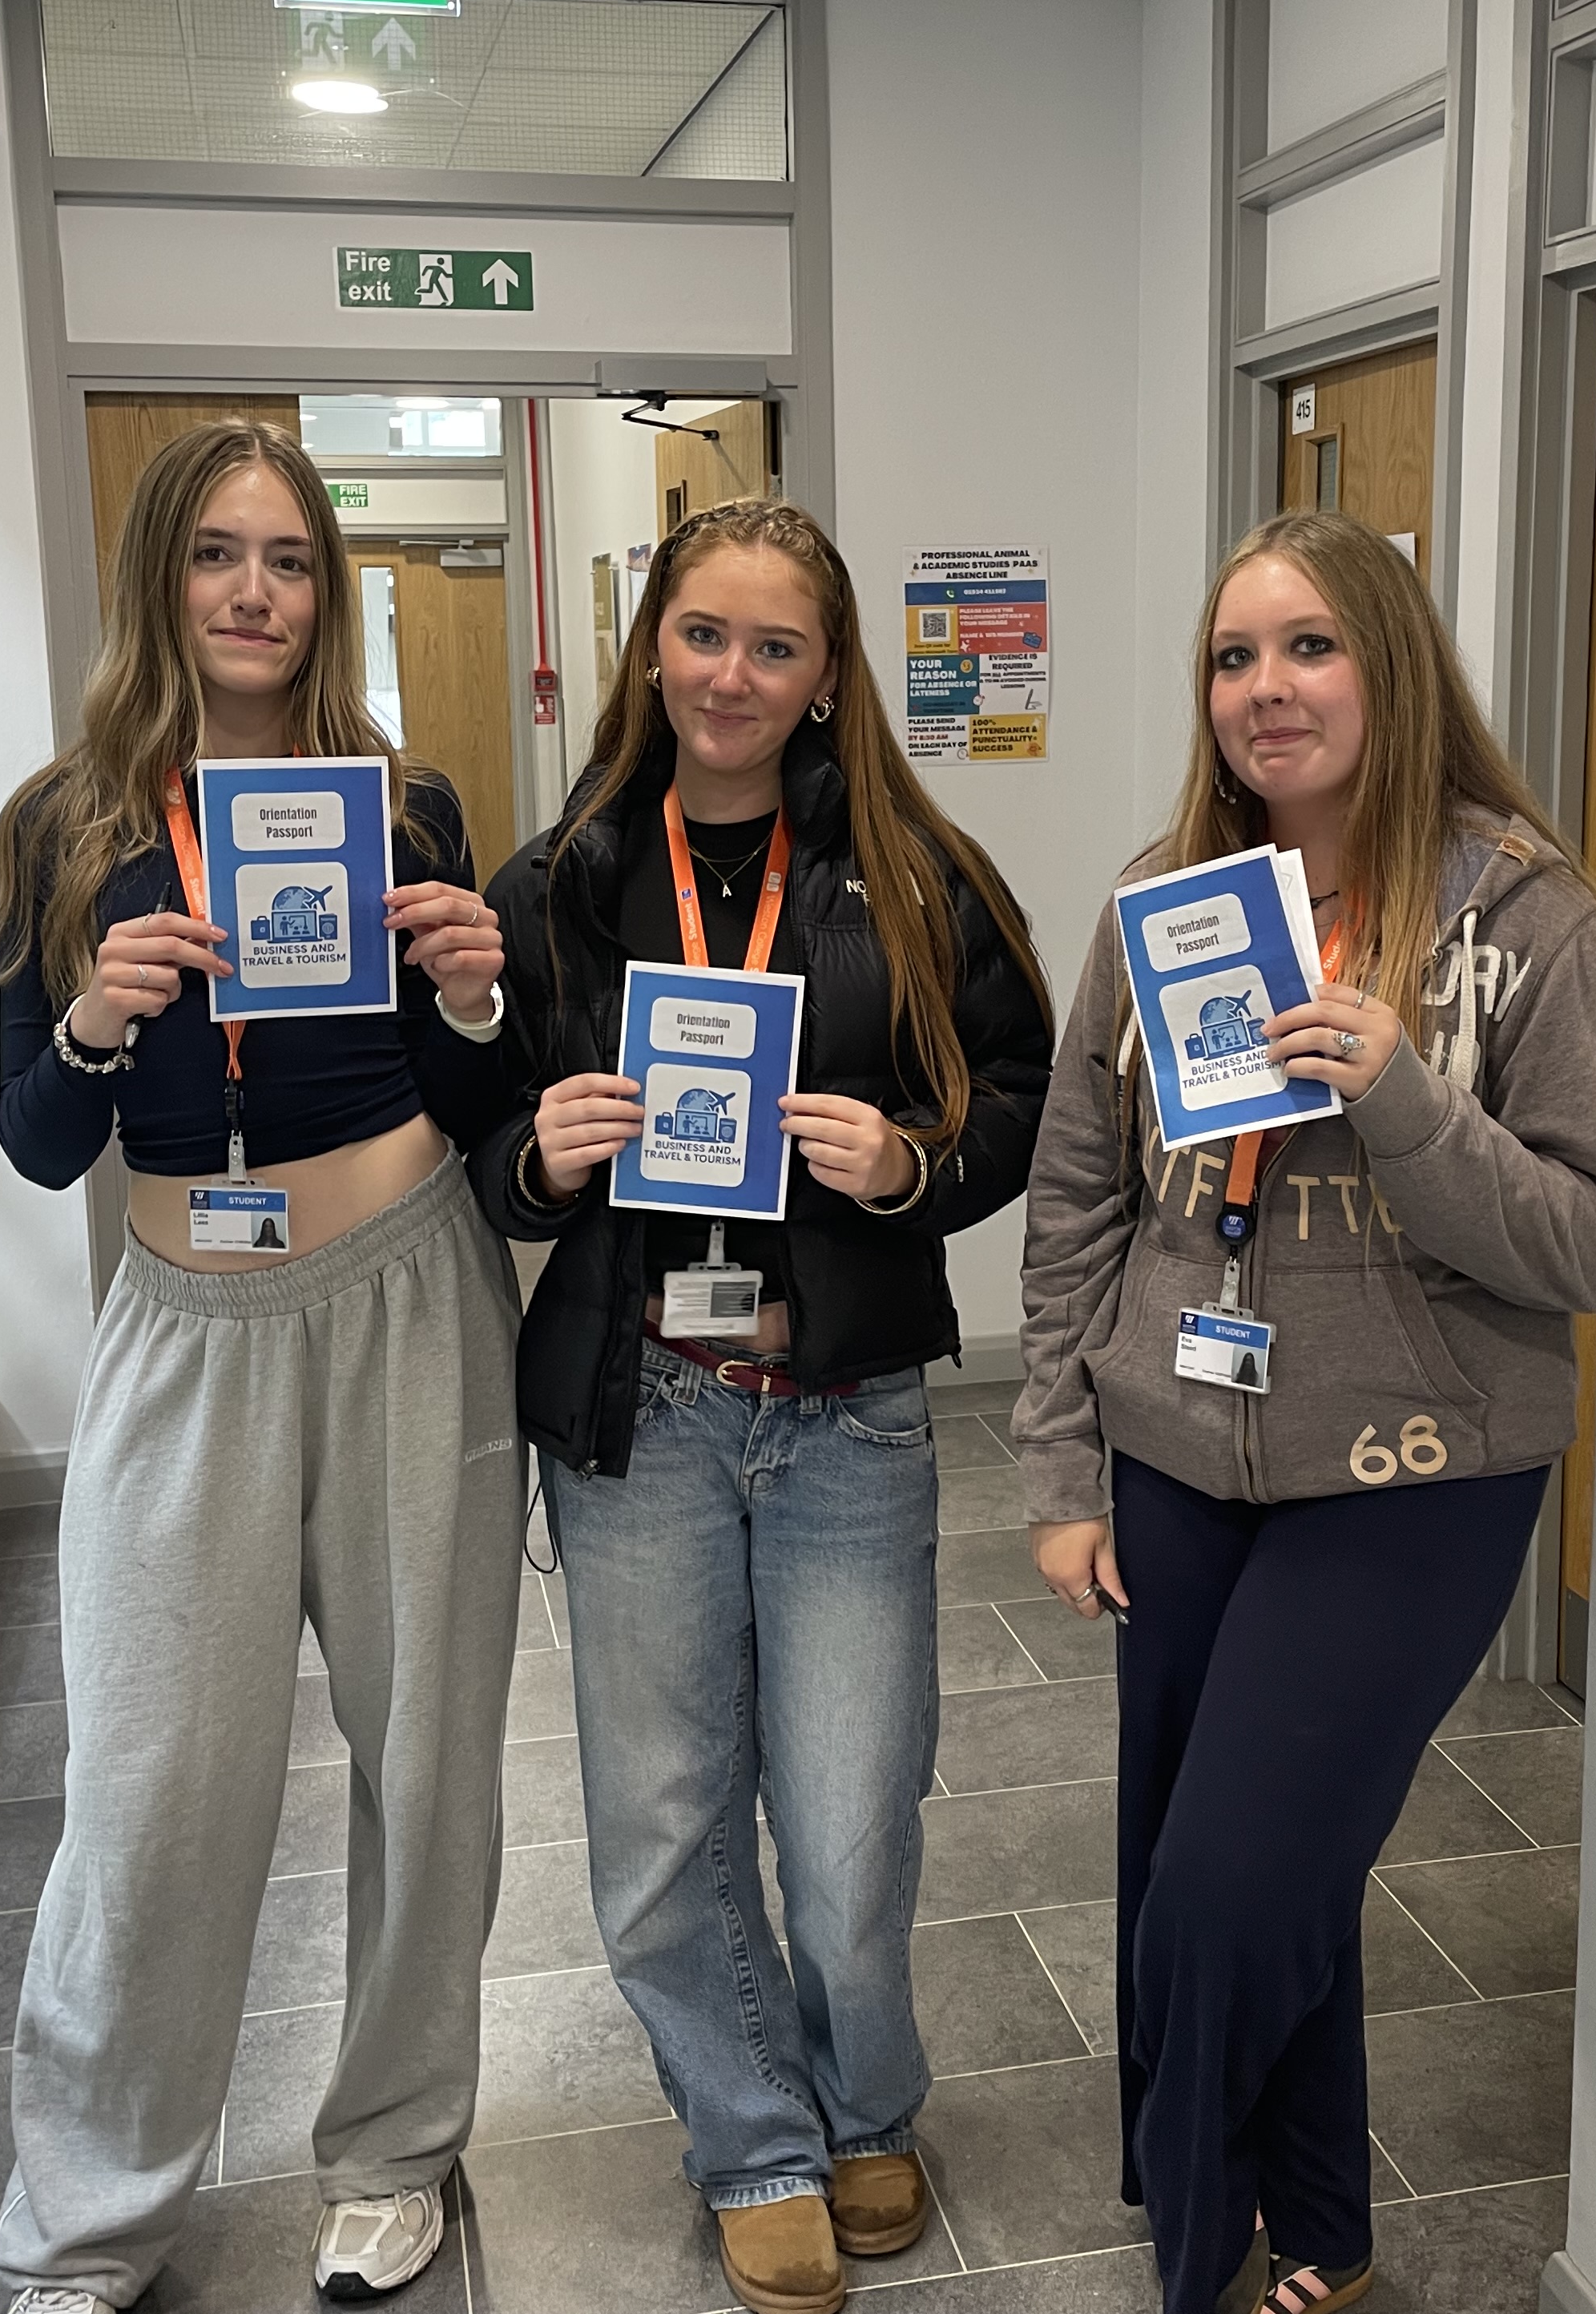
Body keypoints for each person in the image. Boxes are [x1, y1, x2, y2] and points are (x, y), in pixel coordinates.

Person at [1013, 511, 1596, 2314]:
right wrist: (1067, 1463)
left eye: (1308, 648)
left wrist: (1404, 1098)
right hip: (1176, 1454)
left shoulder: (1525, 923)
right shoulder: (1167, 904)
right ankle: (1331, 2233)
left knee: (1228, 1890)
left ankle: (1197, 2244)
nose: (1266, 691)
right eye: (1234, 658)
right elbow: (1082, 1197)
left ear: (1388, 666)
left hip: (1413, 1473)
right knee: (1218, 1863)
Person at [470, 499, 1054, 2314]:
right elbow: (479, 1148)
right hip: (641, 1406)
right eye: (705, 634)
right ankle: (757, 2137)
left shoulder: (916, 867)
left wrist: (909, 1167)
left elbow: (1027, 1097)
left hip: (844, 1406)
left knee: (856, 1807)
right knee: (660, 1816)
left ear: (826, 676)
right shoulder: (557, 876)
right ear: (655, 648)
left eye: (776, 645)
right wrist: (543, 1163)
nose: (735, 674)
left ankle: (869, 2098)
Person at [0, 419, 526, 2312]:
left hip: (401, 1294)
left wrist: (471, 994)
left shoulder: (407, 803)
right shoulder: (69, 826)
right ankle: (93, 2211)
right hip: (179, 1326)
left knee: (426, 1758)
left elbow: (476, 1109)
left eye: (289, 560)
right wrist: (95, 1019)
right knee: (148, 1782)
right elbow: (40, 1141)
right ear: (164, 576)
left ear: (328, 592)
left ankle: (394, 2152)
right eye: (220, 555)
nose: (255, 594)